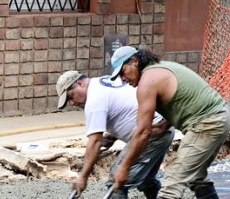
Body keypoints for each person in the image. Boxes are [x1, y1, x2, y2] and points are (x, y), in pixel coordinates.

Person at [109, 46, 230, 199]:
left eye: (123, 72)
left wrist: (124, 168)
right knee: (196, 176)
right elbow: (183, 98)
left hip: (208, 122)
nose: (123, 79)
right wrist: (164, 125)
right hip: (222, 115)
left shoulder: (147, 82)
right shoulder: (160, 69)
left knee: (172, 183)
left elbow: (143, 132)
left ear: (134, 61)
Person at [56, 70, 174, 199]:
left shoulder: (94, 100)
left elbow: (95, 141)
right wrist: (114, 135)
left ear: (80, 84)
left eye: (71, 97)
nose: (72, 103)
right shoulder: (103, 82)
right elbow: (125, 107)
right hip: (163, 128)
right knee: (146, 179)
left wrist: (83, 176)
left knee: (116, 180)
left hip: (153, 132)